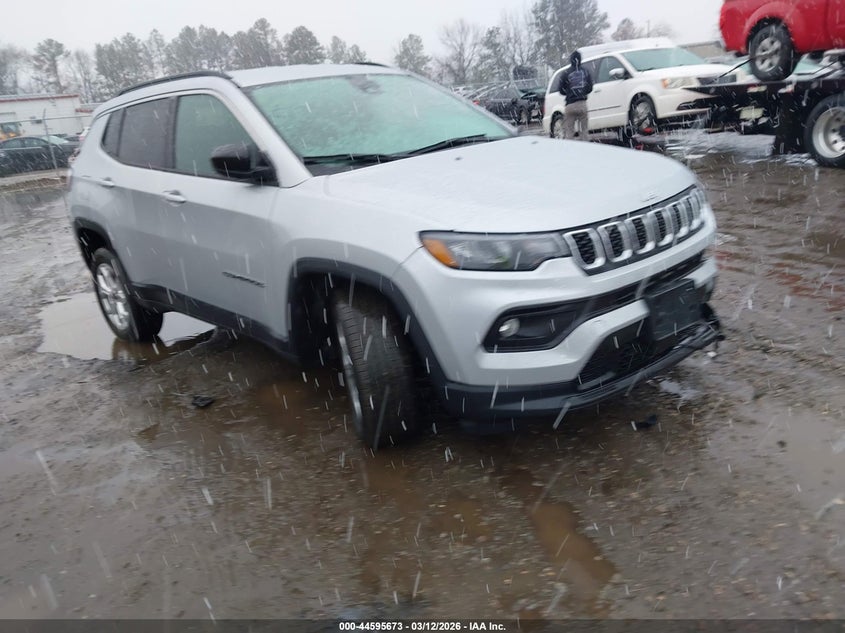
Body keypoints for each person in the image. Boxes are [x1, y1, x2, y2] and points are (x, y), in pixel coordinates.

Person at [558, 50, 593, 141]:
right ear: (580, 60)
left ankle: (570, 147)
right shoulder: (585, 71)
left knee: (569, 132)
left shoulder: (566, 73)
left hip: (570, 105)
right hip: (582, 103)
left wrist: (569, 93)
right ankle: (585, 145)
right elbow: (590, 88)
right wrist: (582, 92)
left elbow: (561, 90)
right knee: (584, 131)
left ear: (571, 60)